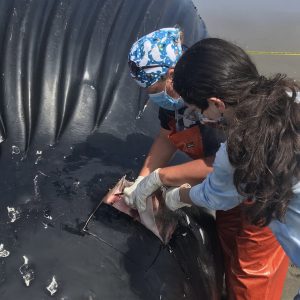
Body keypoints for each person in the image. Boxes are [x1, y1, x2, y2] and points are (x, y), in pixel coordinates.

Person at [157, 38, 299, 299]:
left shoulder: (238, 149)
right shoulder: (292, 97)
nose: (200, 116)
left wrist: (174, 196)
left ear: (217, 104)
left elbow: (215, 197)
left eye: (198, 109)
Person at [125, 28, 225, 211]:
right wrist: (142, 180)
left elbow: (226, 165)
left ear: (172, 76)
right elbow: (166, 137)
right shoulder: (173, 100)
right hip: (216, 183)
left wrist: (163, 177)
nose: (154, 96)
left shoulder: (213, 104)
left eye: (155, 90)